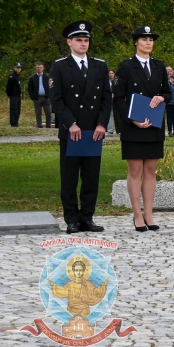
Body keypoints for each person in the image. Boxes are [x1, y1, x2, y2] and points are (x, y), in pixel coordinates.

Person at [49, 21, 112, 234]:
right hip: (72, 131)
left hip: (93, 130)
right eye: (79, 40)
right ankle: (71, 219)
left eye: (86, 40)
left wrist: (102, 124)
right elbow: (56, 100)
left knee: (91, 177)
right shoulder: (60, 66)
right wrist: (71, 123)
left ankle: (87, 217)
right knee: (69, 177)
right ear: (69, 42)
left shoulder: (99, 66)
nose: (83, 44)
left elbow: (106, 98)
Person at [113, 26, 171, 232]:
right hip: (134, 127)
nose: (148, 43)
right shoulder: (126, 66)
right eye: (144, 39)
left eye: (151, 39)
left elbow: (168, 93)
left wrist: (162, 97)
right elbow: (118, 98)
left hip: (153, 125)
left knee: (150, 171)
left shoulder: (159, 66)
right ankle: (137, 214)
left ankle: (149, 213)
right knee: (135, 170)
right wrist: (132, 119)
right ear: (136, 42)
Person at [28, 62, 52, 129]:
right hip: (37, 98)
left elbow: (51, 86)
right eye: (38, 67)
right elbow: (30, 88)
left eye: (40, 67)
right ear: (36, 68)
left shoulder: (47, 77)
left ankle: (48, 126)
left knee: (48, 113)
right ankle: (39, 126)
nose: (39, 69)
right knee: (38, 113)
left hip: (46, 98)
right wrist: (33, 97)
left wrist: (49, 95)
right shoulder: (32, 78)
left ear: (43, 68)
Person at [107, 69, 120, 135]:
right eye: (110, 73)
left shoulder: (117, 81)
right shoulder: (107, 81)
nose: (111, 74)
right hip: (109, 100)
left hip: (116, 99)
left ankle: (119, 130)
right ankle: (109, 130)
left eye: (112, 73)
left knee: (117, 114)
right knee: (109, 114)